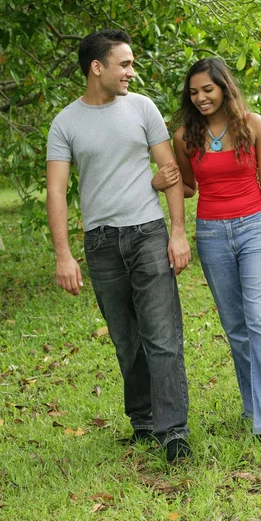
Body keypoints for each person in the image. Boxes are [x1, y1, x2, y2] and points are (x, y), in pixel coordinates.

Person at [46, 28, 191, 462]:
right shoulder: (65, 122)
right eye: (124, 64)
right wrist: (63, 254)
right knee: (127, 339)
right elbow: (55, 191)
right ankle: (144, 423)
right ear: (97, 68)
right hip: (102, 243)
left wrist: (178, 231)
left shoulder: (143, 108)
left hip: (147, 233)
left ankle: (174, 433)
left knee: (163, 336)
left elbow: (169, 172)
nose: (131, 71)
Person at [153, 58, 261, 446]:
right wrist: (158, 182)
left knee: (258, 320)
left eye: (207, 89)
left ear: (223, 86)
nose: (201, 97)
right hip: (211, 234)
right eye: (194, 92)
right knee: (236, 329)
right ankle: (253, 405)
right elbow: (188, 188)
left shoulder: (252, 125)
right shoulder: (185, 136)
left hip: (255, 227)